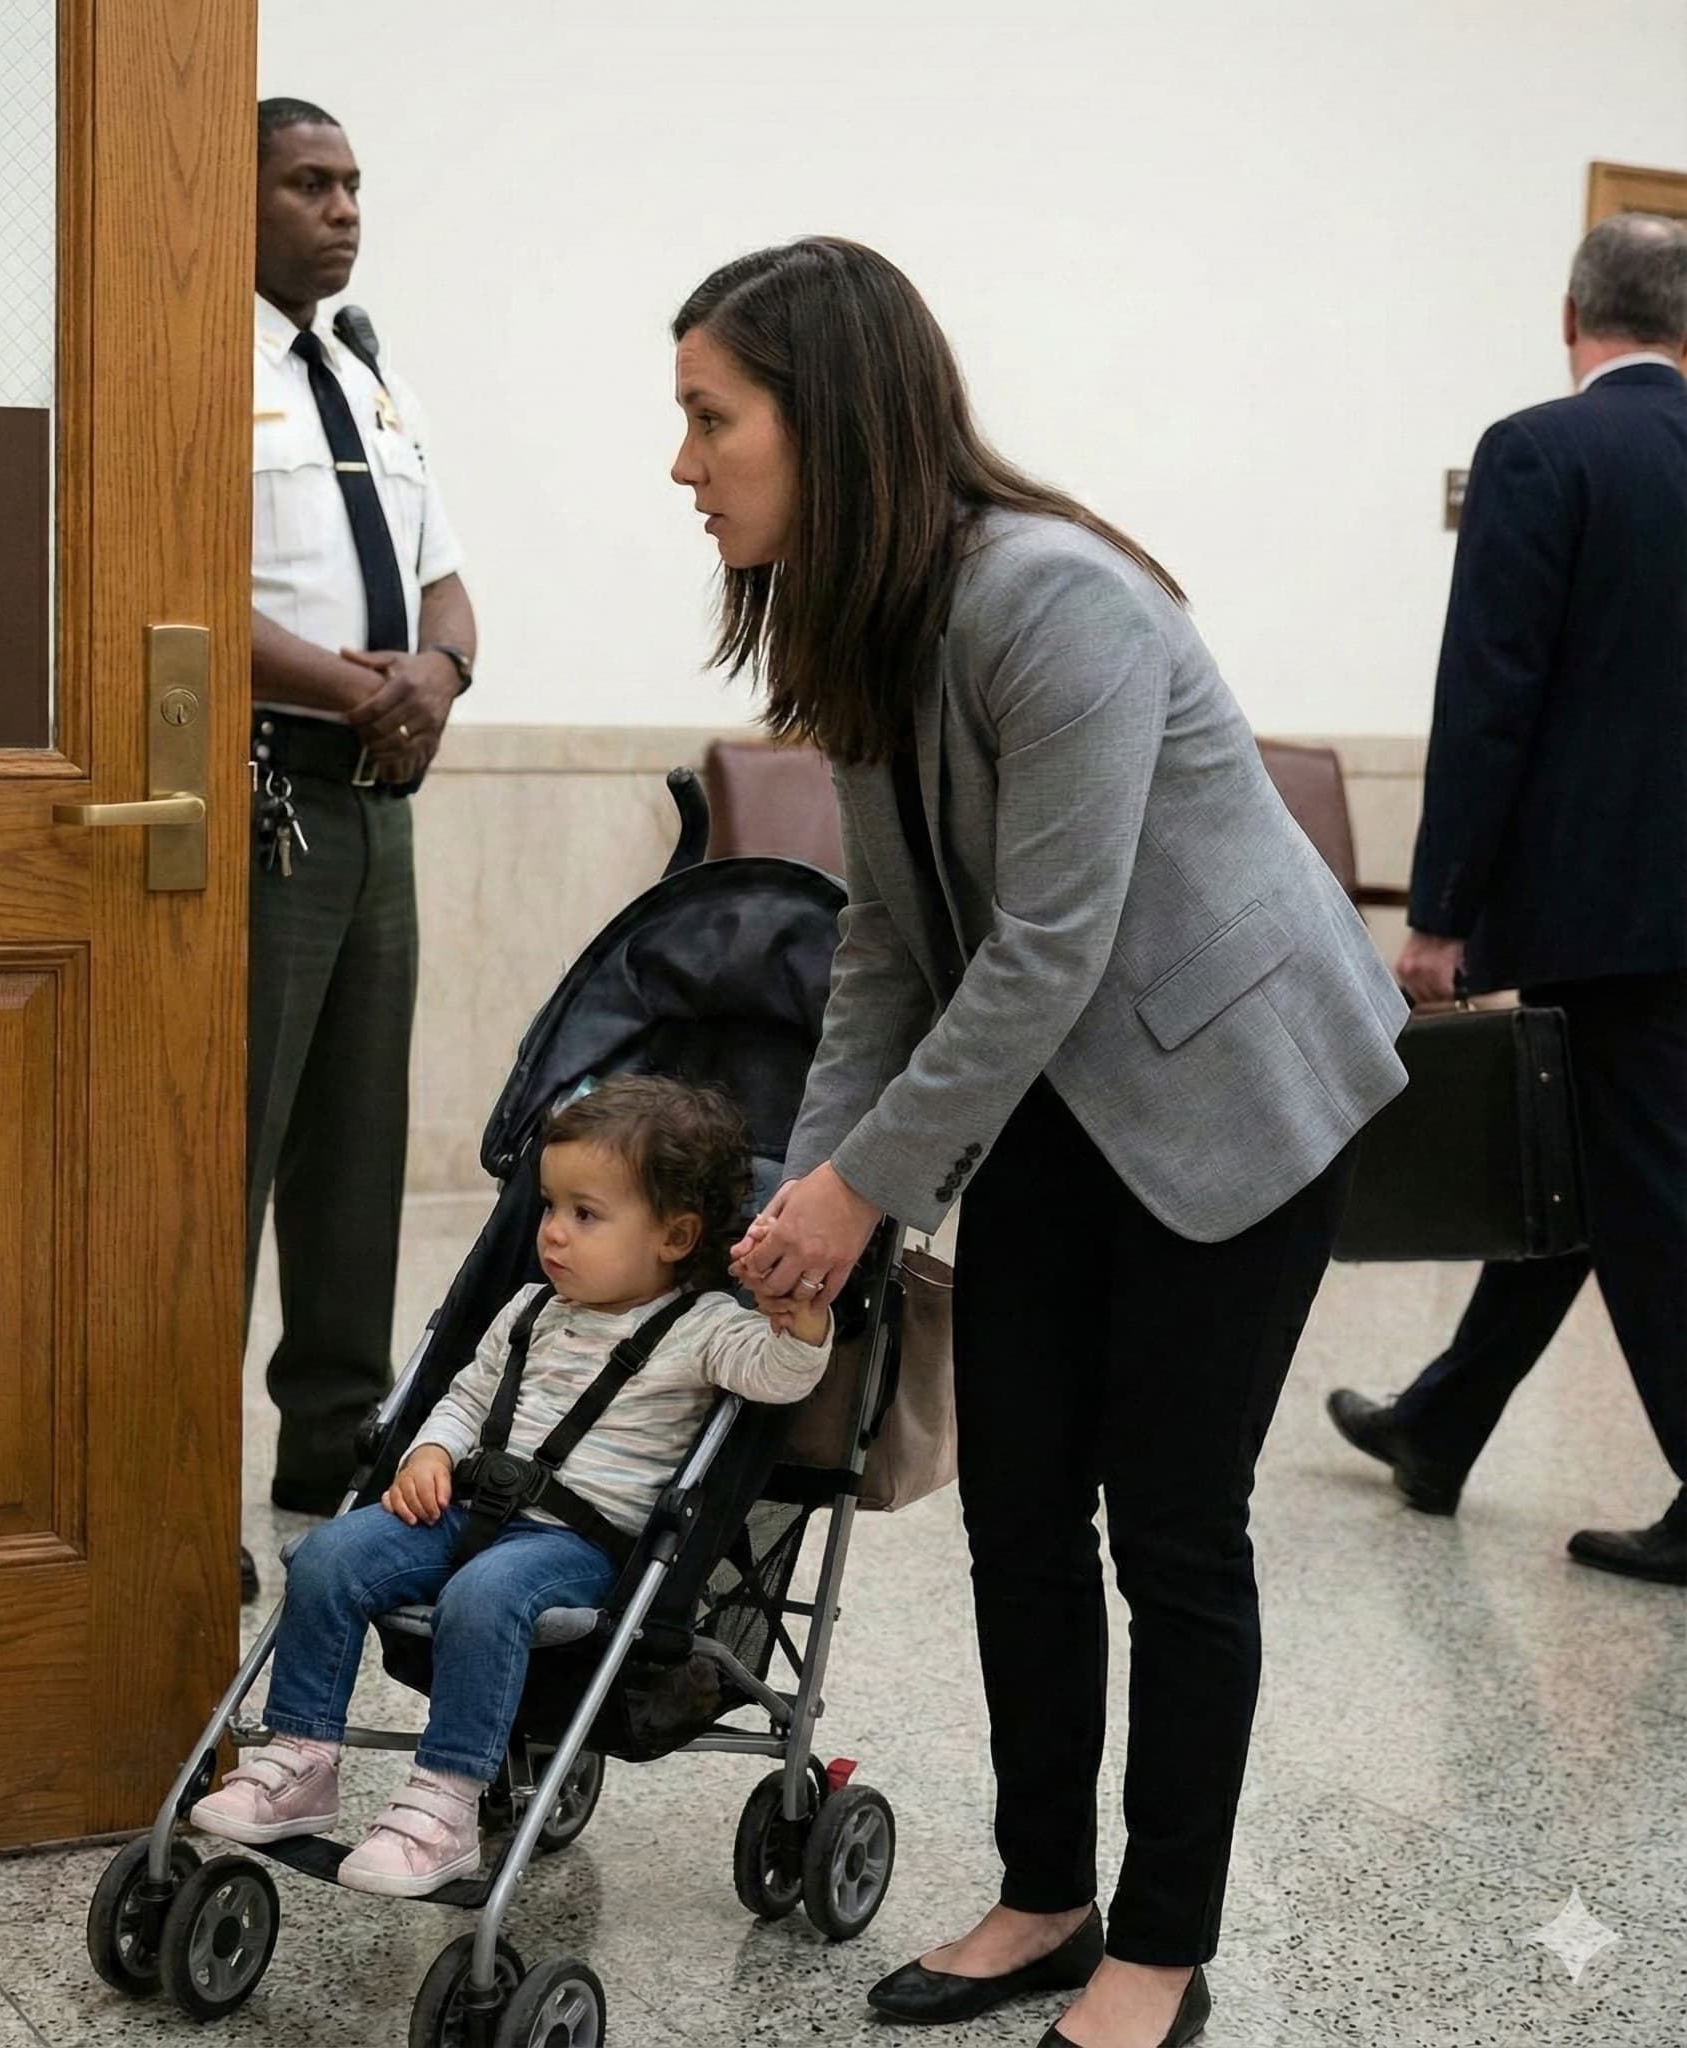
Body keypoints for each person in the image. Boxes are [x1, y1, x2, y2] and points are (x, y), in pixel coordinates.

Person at [683, 239, 1407, 2048]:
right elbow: (889, 945)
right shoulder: (859, 618)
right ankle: (1042, 1893)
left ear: (825, 421)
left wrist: (866, 1191)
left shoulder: (1052, 598)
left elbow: (1043, 945)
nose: (682, 464)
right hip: (1064, 1097)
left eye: (710, 420)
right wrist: (813, 1173)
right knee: (1015, 1506)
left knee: (1171, 1523)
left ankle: (1158, 1944)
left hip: (1235, 1094)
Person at [192, 1076, 832, 1894]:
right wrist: (428, 1453)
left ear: (675, 1237)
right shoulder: (531, 1309)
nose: (554, 1233)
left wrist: (800, 1313)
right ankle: (301, 1757)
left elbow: (783, 1373)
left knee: (487, 1595)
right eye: (550, 1207)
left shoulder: (707, 1329)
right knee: (326, 1554)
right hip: (466, 1508)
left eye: (585, 1214)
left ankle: (445, 1803)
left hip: (576, 1547)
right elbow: (462, 1399)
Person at [1328, 214, 1687, 1588]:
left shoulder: (1541, 449)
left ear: (1568, 315)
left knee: (1642, 1190)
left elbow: (1492, 698)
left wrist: (1440, 908)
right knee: (1587, 1165)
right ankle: (1442, 1421)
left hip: (1597, 908)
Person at [241, 98, 480, 1598]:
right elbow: (172, 574)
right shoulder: (198, 365)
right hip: (267, 787)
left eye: (352, 186)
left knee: (356, 1148)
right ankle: (165, 1483)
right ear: (233, 201)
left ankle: (330, 1450)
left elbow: (446, 578)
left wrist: (437, 678)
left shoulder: (366, 375)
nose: (343, 210)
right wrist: (360, 687)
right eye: (308, 184)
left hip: (379, 796)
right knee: (233, 1149)